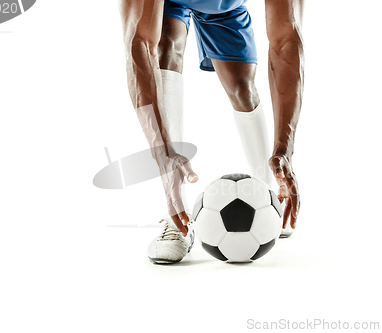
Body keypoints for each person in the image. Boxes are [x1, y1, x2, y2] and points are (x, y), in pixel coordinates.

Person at [119, 0, 304, 264]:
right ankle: (177, 217)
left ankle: (269, 196)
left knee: (242, 88)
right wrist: (163, 152)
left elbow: (286, 40)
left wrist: (284, 149)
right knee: (165, 47)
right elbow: (139, 44)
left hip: (225, 4)